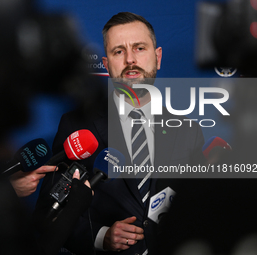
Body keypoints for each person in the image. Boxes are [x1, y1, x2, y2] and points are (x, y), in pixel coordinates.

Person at [37, 12, 205, 255]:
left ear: (157, 57)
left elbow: (200, 210)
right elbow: (48, 212)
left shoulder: (189, 131)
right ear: (106, 64)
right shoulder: (76, 126)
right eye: (119, 51)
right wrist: (100, 236)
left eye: (139, 48)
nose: (130, 60)